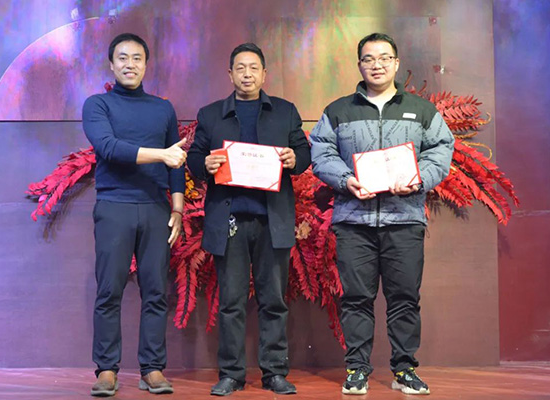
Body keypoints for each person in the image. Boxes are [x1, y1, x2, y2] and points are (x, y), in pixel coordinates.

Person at [310, 32, 454, 395]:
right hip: (353, 220)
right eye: (369, 59)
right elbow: (321, 153)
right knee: (356, 298)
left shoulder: (422, 110)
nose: (377, 65)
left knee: (404, 297)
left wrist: (418, 179)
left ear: (396, 63)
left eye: (384, 58)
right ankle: (357, 369)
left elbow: (441, 150)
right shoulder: (338, 110)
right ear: (360, 65)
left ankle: (404, 369)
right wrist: (345, 180)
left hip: (404, 219)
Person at [188, 43, 310, 396]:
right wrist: (204, 164)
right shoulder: (211, 114)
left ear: (264, 74)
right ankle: (231, 374)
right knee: (231, 302)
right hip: (230, 221)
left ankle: (274, 373)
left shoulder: (285, 111)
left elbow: (304, 153)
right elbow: (194, 159)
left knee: (274, 301)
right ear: (230, 74)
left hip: (273, 220)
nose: (247, 74)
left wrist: (294, 159)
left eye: (253, 68)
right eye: (240, 68)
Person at [82, 32, 187, 397]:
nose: (130, 64)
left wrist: (177, 207)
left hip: (157, 209)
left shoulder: (162, 109)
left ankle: (152, 369)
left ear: (146, 64)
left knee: (156, 291)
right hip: (114, 206)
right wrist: (161, 155)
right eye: (123, 58)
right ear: (112, 65)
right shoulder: (97, 105)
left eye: (137, 58)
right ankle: (107, 370)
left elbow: (177, 161)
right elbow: (109, 148)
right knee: (109, 290)